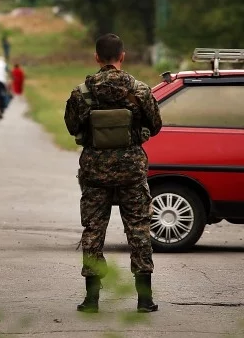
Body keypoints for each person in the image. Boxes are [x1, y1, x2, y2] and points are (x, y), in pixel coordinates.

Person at [64, 33, 162, 314]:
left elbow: (72, 127)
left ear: (97, 57)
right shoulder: (140, 90)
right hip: (132, 170)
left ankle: (91, 299)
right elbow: (155, 126)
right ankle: (145, 299)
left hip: (95, 172)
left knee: (93, 232)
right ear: (122, 56)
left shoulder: (82, 92)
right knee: (139, 230)